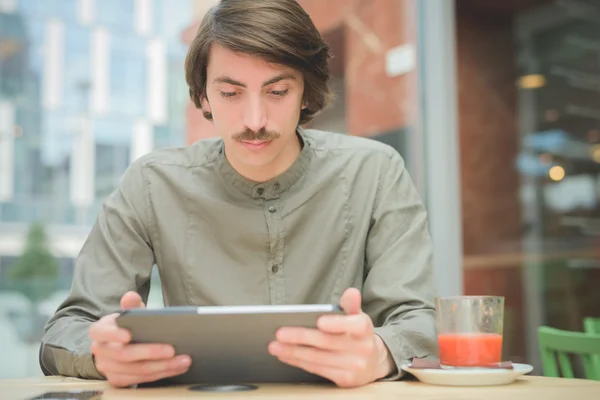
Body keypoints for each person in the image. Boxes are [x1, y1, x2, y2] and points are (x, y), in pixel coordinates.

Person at [39, 0, 438, 389]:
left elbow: (417, 321)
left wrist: (380, 352)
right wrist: (101, 353)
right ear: (203, 96)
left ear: (306, 93)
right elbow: (66, 329)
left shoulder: (376, 170)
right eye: (230, 93)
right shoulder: (151, 182)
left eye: (277, 91)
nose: (254, 121)